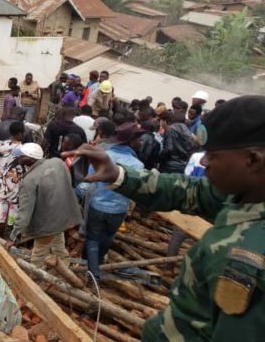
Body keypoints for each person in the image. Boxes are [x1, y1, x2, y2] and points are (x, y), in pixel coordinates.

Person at [62, 95, 265, 342]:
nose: (203, 160)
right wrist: (119, 176)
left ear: (252, 160)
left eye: (212, 154)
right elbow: (188, 190)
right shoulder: (246, 193)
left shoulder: (247, 262)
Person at [78, 122, 145, 279]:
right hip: (119, 209)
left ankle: (93, 273)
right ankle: (98, 263)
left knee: (93, 239)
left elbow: (87, 182)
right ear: (130, 141)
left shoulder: (102, 156)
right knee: (107, 237)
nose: (140, 142)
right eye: (138, 140)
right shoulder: (137, 164)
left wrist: (77, 192)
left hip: (97, 205)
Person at [7, 143, 83, 268]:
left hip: (47, 223)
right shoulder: (57, 163)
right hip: (62, 216)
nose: (18, 158)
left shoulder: (29, 180)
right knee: (58, 241)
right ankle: (64, 264)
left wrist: (13, 236)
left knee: (38, 254)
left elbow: (24, 213)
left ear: (29, 159)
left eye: (21, 156)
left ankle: (36, 277)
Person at [0, 122, 27, 236]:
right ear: (20, 134)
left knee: (0, 211)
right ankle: (12, 237)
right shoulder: (24, 149)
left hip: (0, 184)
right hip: (15, 184)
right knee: (14, 210)